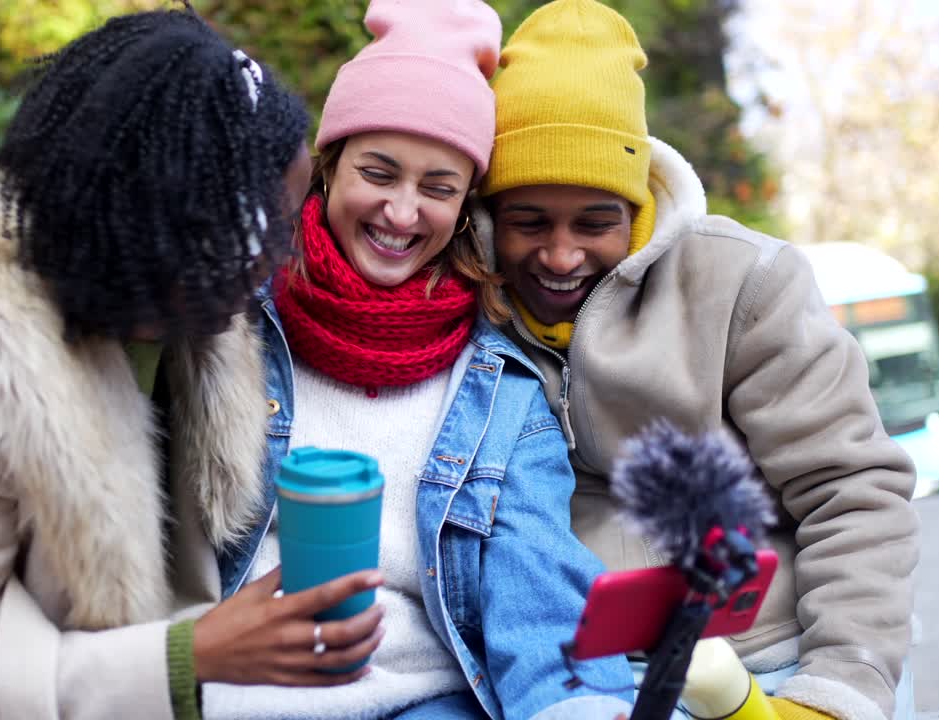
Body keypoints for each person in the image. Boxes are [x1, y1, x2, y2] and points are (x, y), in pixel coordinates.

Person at [0, 9, 388, 720]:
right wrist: (196, 654)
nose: (275, 267)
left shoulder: (193, 332)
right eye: (253, 238)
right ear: (155, 231)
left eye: (286, 227)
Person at [481, 2, 920, 719]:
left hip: (762, 655)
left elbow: (852, 489)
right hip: (562, 673)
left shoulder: (742, 283)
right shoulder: (464, 300)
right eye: (529, 222)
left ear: (640, 205)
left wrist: (838, 687)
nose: (560, 256)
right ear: (488, 215)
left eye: (596, 223)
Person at [205, 2, 636, 719]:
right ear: (329, 167)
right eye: (379, 173)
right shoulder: (230, 327)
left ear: (465, 205)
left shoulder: (499, 391)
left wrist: (577, 707)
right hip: (241, 694)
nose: (402, 214)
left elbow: (540, 596)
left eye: (437, 188)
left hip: (428, 699)